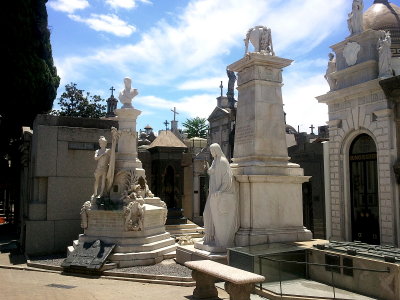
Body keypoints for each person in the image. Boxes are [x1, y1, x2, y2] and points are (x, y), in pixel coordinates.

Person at [203, 143, 239, 248]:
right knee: (206, 213)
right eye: (210, 151)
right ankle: (210, 235)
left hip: (218, 193)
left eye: (212, 151)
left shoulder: (223, 162)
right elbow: (213, 172)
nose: (211, 153)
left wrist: (221, 191)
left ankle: (214, 237)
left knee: (211, 214)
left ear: (217, 150)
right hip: (213, 192)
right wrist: (209, 170)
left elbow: (227, 179)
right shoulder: (215, 161)